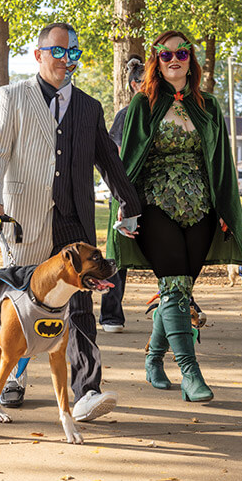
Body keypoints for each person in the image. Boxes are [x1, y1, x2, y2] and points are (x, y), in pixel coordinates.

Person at [0, 22, 141, 422]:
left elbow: (108, 160)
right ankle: (13, 375)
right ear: (39, 54)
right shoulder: (12, 96)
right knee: (20, 302)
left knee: (80, 302)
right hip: (24, 218)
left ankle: (87, 391)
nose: (66, 61)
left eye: (73, 54)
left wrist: (129, 203)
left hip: (74, 219)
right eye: (58, 52)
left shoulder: (89, 107)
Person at [107, 29, 242, 403]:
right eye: (165, 54)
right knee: (174, 285)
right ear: (155, 61)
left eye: (181, 54)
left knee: (179, 290)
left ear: (191, 60)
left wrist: (224, 210)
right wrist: (126, 209)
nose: (174, 59)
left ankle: (154, 358)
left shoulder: (210, 107)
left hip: (201, 207)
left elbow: (219, 162)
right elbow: (127, 162)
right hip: (154, 206)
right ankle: (191, 373)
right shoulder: (143, 105)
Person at [98, 56, 146, 334]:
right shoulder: (126, 115)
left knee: (173, 253)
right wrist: (122, 195)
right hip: (126, 190)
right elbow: (113, 156)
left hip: (162, 193)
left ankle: (185, 308)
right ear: (134, 84)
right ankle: (111, 315)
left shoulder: (170, 112)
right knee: (118, 253)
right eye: (148, 81)